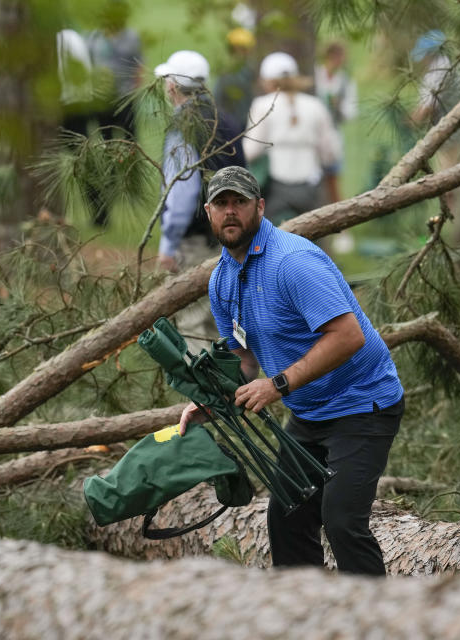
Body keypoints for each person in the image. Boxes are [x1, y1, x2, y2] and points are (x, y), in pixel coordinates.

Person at [179, 166, 405, 576]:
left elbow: (348, 336)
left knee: (342, 522)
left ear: (260, 207)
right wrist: (211, 402)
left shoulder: (292, 262)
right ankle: (304, 617)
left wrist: (279, 384)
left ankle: (380, 621)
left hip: (362, 403)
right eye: (221, 204)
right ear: (208, 212)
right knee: (286, 521)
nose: (231, 212)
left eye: (240, 202)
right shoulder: (221, 280)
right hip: (309, 413)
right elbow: (244, 362)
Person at [155, 50, 246, 348]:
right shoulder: (228, 122)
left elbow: (182, 193)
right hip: (231, 237)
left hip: (195, 240)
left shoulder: (183, 129)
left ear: (172, 87)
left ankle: (207, 396)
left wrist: (168, 245)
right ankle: (235, 390)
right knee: (226, 324)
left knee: (193, 323)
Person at [61, 0, 144, 226]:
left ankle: (130, 186)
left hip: (124, 98)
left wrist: (134, 91)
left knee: (129, 143)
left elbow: (138, 67)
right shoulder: (91, 38)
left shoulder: (131, 37)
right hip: (100, 102)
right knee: (104, 146)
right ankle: (110, 187)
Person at [243, 52, 341, 226]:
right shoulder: (315, 105)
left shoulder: (262, 105)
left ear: (267, 80)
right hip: (310, 184)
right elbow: (330, 152)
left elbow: (252, 150)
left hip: (276, 186)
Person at [314, 41, 357, 204]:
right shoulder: (316, 75)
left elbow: (350, 112)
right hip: (313, 132)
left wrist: (338, 106)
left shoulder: (345, 82)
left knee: (332, 176)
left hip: (332, 132)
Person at [213, 27, 256, 134]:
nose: (245, 52)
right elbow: (217, 98)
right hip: (231, 124)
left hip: (246, 122)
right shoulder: (227, 72)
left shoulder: (249, 69)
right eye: (241, 48)